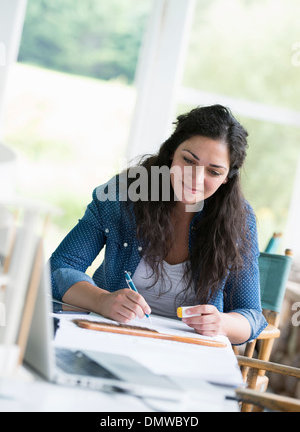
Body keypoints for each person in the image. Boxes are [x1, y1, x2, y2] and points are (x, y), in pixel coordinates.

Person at [50, 104, 267, 345]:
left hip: (189, 351)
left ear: (227, 178)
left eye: (213, 172)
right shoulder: (124, 193)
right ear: (171, 152)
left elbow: (251, 316)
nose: (195, 179)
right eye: (188, 160)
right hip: (109, 336)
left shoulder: (239, 219)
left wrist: (222, 323)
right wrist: (101, 300)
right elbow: (58, 268)